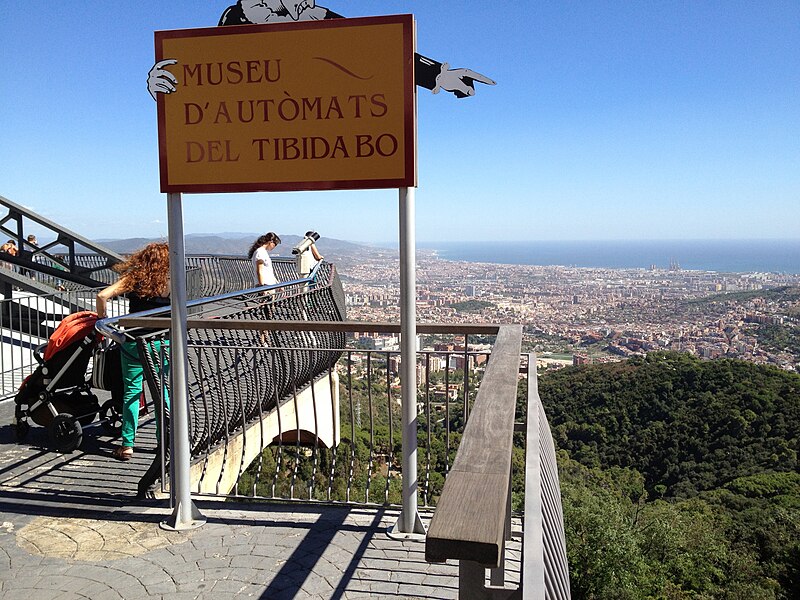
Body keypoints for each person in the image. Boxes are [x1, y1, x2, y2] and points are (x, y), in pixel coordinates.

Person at [148, 1, 495, 100]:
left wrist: (436, 74)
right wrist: (161, 81)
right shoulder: (232, 19)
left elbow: (375, 49)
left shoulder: (317, 17)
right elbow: (204, 72)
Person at [96, 243, 171, 461]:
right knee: (162, 392)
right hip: (161, 342)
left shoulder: (135, 277)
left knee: (132, 392)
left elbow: (103, 296)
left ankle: (127, 444)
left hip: (134, 342)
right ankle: (164, 441)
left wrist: (103, 321)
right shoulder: (170, 280)